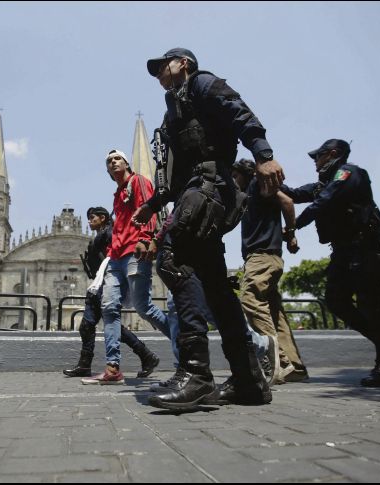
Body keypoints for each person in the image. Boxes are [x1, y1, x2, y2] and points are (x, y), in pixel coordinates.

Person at [133, 48, 282, 410]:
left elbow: (239, 112)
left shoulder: (201, 83)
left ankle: (197, 374)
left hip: (210, 186)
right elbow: (175, 169)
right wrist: (154, 204)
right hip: (195, 190)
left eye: (163, 66)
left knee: (172, 259)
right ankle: (248, 381)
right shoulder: (174, 107)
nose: (158, 73)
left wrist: (263, 155)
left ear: (183, 63)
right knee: (215, 287)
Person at [283, 139, 380, 387]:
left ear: (332, 154)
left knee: (371, 305)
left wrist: (292, 227)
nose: (315, 162)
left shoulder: (349, 173)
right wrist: (262, 174)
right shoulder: (324, 183)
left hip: (367, 249)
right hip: (344, 251)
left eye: (318, 156)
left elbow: (324, 201)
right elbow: (295, 194)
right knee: (335, 300)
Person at [82, 149, 178, 385]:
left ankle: (184, 344)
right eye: (109, 161)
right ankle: (113, 368)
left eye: (118, 159)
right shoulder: (117, 194)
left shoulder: (138, 182)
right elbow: (120, 226)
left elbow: (149, 209)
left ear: (127, 163)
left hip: (135, 252)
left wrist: (145, 239)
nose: (113, 162)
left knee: (144, 308)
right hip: (116, 258)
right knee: (109, 308)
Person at [232, 158, 309, 384]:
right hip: (267, 258)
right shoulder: (248, 195)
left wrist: (291, 233)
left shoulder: (256, 185)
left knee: (250, 298)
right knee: (274, 312)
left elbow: (287, 201)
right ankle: (294, 366)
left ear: (245, 174)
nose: (233, 181)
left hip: (262, 257)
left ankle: (279, 362)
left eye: (235, 176)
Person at [63, 206, 160, 379]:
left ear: (103, 218)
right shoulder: (103, 234)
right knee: (89, 325)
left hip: (107, 282)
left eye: (93, 217)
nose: (90, 221)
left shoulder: (110, 232)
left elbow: (115, 249)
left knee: (108, 324)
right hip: (100, 282)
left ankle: (146, 356)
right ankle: (85, 365)